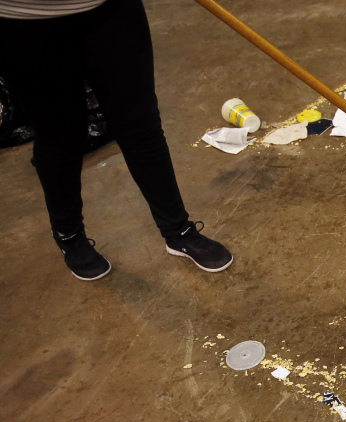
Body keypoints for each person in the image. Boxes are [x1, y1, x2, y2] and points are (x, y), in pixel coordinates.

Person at [0, 0, 232, 280]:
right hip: (25, 23)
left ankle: (178, 231)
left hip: (111, 10)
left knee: (140, 126)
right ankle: (70, 236)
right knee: (60, 136)